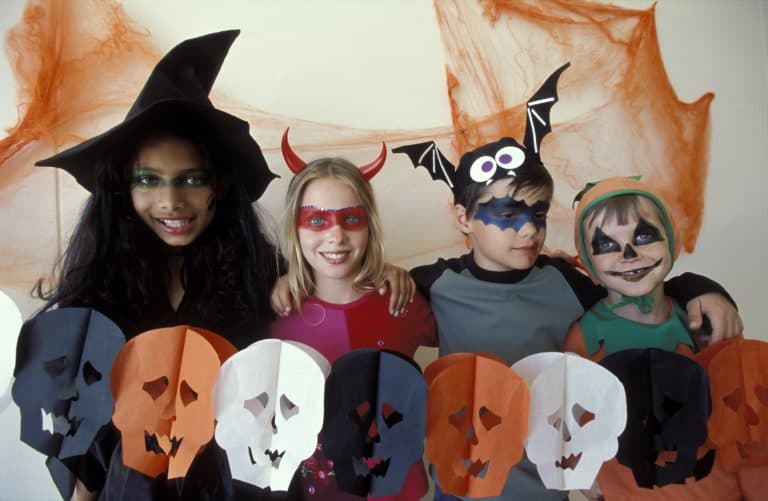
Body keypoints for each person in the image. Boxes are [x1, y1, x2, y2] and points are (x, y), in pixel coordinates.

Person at [31, 30, 280, 500]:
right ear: (125, 188)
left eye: (191, 179)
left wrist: (385, 278)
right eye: (149, 181)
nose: (171, 201)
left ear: (220, 186)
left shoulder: (260, 280)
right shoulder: (96, 294)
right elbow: (78, 439)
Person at [270, 136, 437, 501]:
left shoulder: (402, 301)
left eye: (351, 219)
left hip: (393, 487)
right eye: (317, 220)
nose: (336, 235)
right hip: (310, 489)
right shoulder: (277, 313)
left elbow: (472, 320)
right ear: (294, 229)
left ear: (369, 224)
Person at [563, 176, 747, 500]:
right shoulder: (583, 338)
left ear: (671, 241)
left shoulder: (705, 320)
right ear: (588, 263)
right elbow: (572, 422)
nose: (629, 253)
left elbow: (744, 402)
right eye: (606, 244)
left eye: (644, 235)